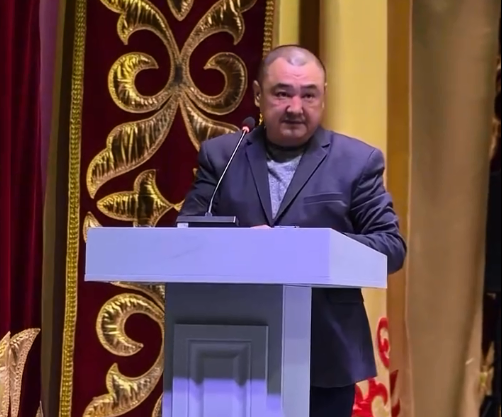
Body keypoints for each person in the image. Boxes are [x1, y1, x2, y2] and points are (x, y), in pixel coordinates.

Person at [178, 44, 407, 417]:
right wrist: (241, 243)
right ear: (258, 95)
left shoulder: (357, 162)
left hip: (325, 354)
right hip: (227, 346)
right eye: (282, 93)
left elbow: (390, 248)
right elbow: (186, 238)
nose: (295, 107)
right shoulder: (222, 156)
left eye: (308, 95)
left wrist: (302, 245)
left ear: (324, 97)